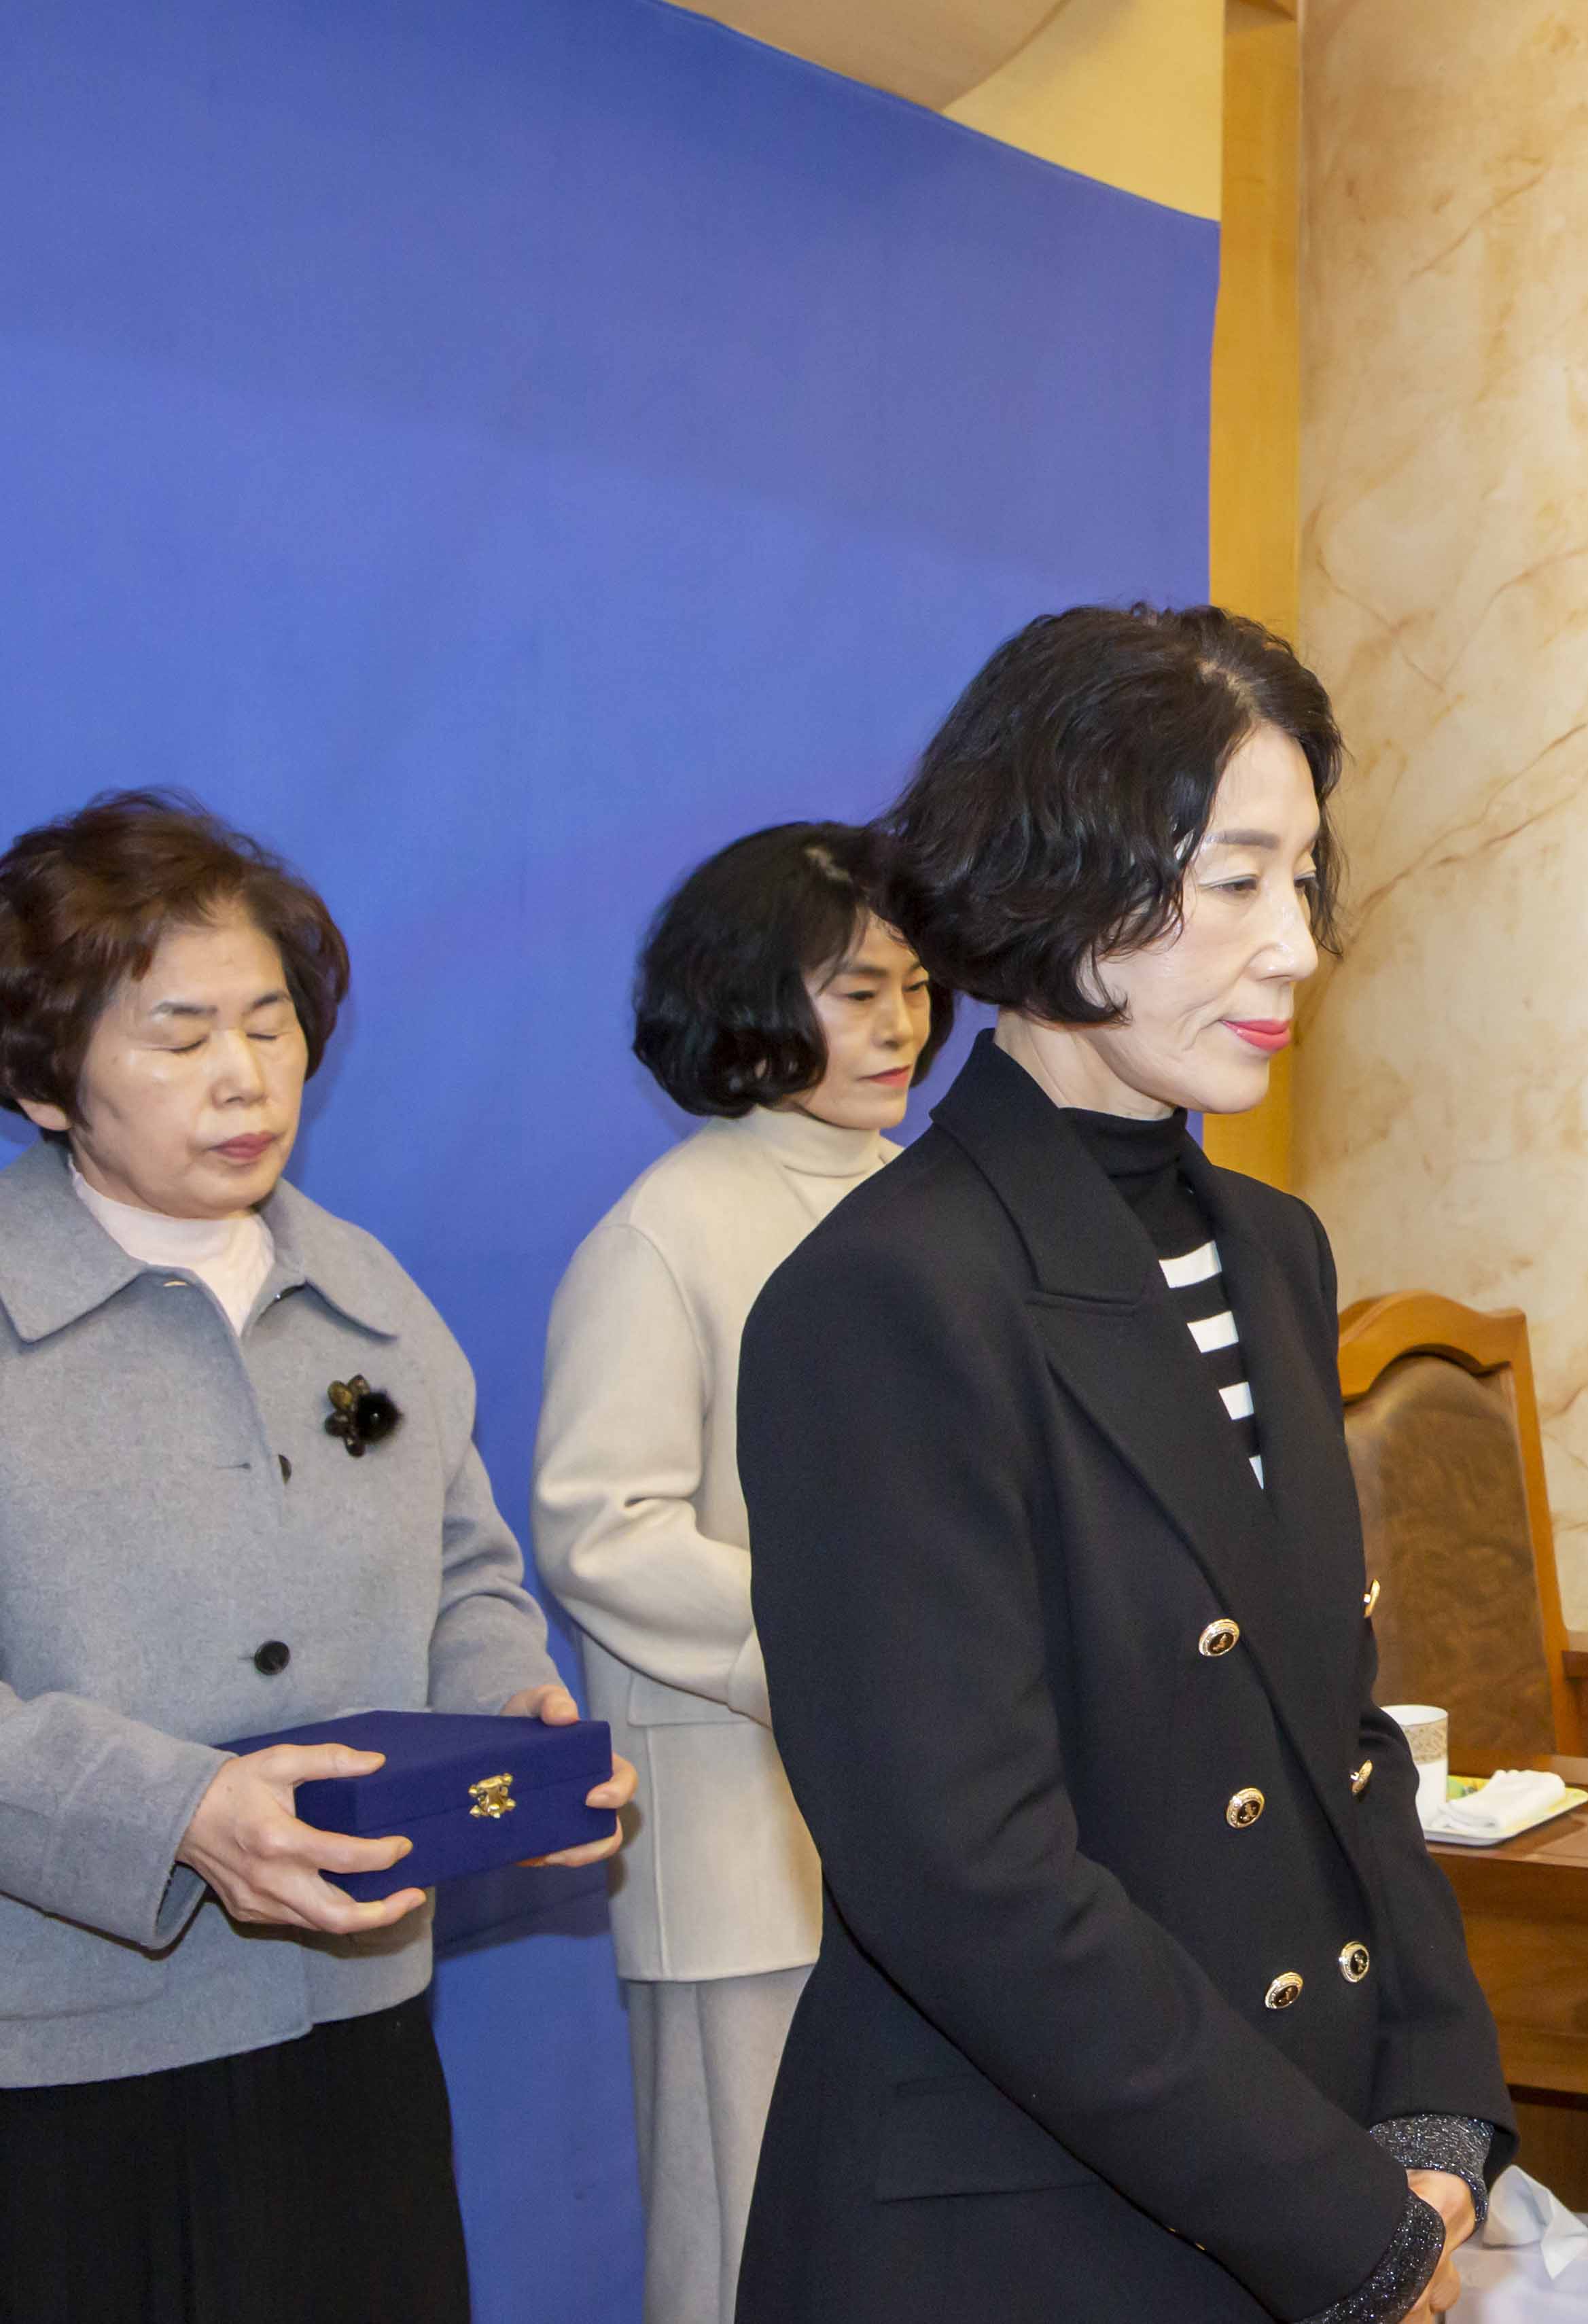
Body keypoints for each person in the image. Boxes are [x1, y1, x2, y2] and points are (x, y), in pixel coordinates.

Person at [733, 607, 1512, 2324]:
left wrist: (1437, 2095)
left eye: (1304, 878)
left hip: (1287, 2169)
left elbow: (1338, 1732)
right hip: (1029, 2226)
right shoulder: (886, 1295)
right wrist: (1344, 2216)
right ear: (1052, 881)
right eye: (1233, 882)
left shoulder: (1273, 1248)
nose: (1296, 947)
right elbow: (968, 1876)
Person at [0, 790, 636, 2324]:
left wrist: (511, 1720)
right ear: (42, 1081)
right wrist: (177, 1810)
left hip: (355, 2030)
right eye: (179, 1035)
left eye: (269, 1023)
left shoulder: (367, 1292)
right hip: (63, 2060)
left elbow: (467, 1566)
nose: (244, 1074)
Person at [533, 823, 943, 2324]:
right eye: (856, 991)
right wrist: (839, 1641)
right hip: (736, 1842)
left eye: (916, 986)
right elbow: (600, 1523)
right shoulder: (667, 1230)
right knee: (748, 2257)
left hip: (944, 1831)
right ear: (751, 1003)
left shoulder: (928, 1201)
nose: (900, 1025)